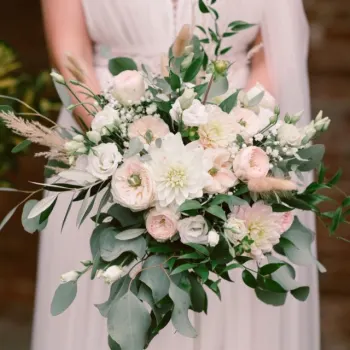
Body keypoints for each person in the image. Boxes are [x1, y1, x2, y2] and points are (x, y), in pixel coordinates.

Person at [32, 1, 319, 349]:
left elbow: (272, 51)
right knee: (112, 287)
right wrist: (122, 148)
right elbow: (70, 56)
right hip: (102, 146)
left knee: (228, 295)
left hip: (237, 142)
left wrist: (235, 146)